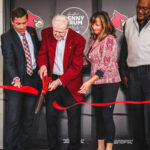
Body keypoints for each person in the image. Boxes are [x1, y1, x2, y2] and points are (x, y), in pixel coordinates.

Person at [37, 14, 86, 150]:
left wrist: (60, 81)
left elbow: (76, 68)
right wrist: (42, 65)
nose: (57, 35)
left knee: (74, 119)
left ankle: (74, 147)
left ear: (68, 28)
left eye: (60, 32)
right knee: (51, 118)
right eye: (55, 31)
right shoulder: (46, 33)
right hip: (52, 81)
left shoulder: (78, 39)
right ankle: (53, 147)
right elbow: (42, 53)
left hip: (71, 83)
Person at [78, 11, 121, 150]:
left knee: (106, 115)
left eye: (97, 25)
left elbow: (105, 65)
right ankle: (100, 146)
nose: (94, 27)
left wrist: (89, 82)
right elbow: (87, 60)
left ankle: (109, 148)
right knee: (98, 115)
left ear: (105, 25)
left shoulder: (110, 39)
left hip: (110, 81)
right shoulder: (92, 39)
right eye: (93, 24)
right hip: (96, 82)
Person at [1, 7, 40, 150]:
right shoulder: (6, 37)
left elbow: (38, 53)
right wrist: (15, 78)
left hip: (32, 81)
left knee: (28, 120)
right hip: (16, 85)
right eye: (18, 23)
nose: (22, 27)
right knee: (13, 121)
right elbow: (9, 61)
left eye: (24, 22)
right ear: (12, 21)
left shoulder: (32, 31)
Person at [120, 0, 150, 150]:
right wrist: (124, 73)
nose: (140, 11)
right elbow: (123, 51)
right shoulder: (128, 23)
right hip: (132, 73)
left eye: (145, 8)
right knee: (136, 111)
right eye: (139, 7)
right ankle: (140, 145)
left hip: (149, 71)